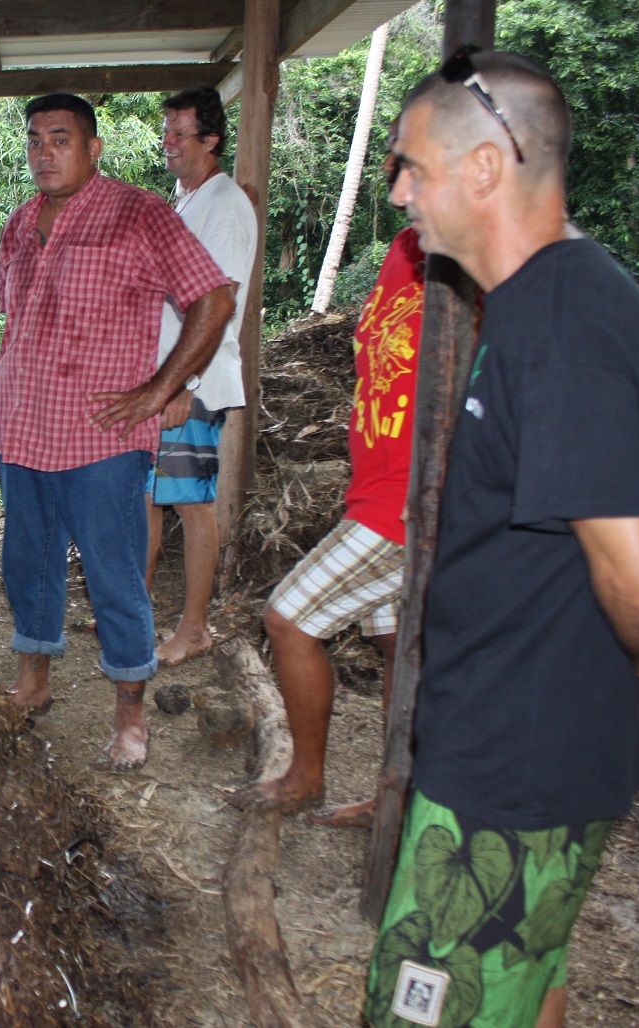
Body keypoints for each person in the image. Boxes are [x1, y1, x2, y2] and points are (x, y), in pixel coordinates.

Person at [362, 50, 639, 1028]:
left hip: (513, 772)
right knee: (527, 986)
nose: (397, 190)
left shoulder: (561, 326)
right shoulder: (539, 304)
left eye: (409, 165)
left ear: (483, 167)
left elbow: (633, 573)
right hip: (512, 750)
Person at [0, 94, 234, 769]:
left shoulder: (140, 214)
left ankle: (131, 716)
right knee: (28, 565)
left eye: (61, 139)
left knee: (115, 575)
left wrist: (161, 390)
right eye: (35, 139)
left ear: (93, 148)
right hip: (23, 430)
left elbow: (213, 298)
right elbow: (18, 318)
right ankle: (33, 680)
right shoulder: (17, 225)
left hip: (100, 436)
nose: (45, 151)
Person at [228, 224, 425, 826]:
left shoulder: (469, 255)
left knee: (288, 618)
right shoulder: (404, 246)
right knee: (399, 649)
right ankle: (396, 798)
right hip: (375, 486)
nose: (401, 183)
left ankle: (306, 777)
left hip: (411, 503)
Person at [143, 86, 258, 666]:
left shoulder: (225, 206)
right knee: (146, 500)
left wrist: (186, 385)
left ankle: (194, 628)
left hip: (194, 385)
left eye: (178, 134)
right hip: (163, 382)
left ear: (210, 140)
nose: (167, 143)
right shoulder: (184, 200)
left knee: (191, 505)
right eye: (165, 132)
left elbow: (222, 302)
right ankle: (134, 614)